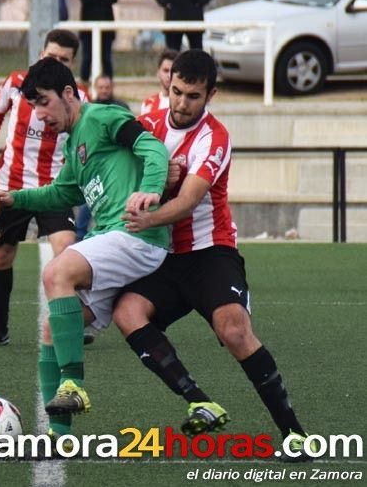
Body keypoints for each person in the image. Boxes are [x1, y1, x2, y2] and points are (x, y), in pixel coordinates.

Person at [112, 50, 313, 461]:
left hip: (210, 252)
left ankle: (294, 434)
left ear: (211, 95)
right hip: (163, 258)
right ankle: (199, 400)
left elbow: (187, 203)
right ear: (167, 86)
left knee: (235, 331)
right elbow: (119, 172)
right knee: (126, 313)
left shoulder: (214, 137)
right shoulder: (147, 126)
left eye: (193, 96)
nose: (182, 104)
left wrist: (142, 217)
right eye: (177, 92)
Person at [0, 57, 170, 438]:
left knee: (56, 272)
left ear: (69, 94)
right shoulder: (73, 146)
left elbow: (152, 148)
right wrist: (14, 199)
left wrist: (151, 188)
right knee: (54, 328)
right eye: (33, 106)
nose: (38, 116)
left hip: (135, 234)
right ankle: (59, 435)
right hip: (112, 240)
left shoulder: (102, 116)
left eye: (43, 102)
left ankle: (73, 384)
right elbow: (62, 193)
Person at [0, 29, 84, 349]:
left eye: (65, 59)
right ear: (40, 53)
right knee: (3, 255)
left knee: (67, 247)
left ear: (72, 63)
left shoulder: (77, 96)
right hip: (12, 184)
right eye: (52, 56)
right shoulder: (15, 83)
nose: (58, 62)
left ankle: (75, 320)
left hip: (55, 187)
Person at [76, 72, 131, 342]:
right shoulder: (90, 113)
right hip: (95, 189)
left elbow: (145, 145)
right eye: (102, 86)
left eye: (109, 85)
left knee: (58, 273)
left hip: (124, 217)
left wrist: (154, 186)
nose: (106, 89)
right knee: (84, 223)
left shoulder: (118, 110)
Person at [77, 0, 118, 84]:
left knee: (106, 60)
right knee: (87, 59)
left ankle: (108, 88)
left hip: (107, 30)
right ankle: (83, 90)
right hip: (87, 29)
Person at [140, 48, 177, 115]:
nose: (169, 75)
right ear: (158, 72)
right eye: (166, 70)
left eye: (173, 71)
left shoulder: (183, 105)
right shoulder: (148, 104)